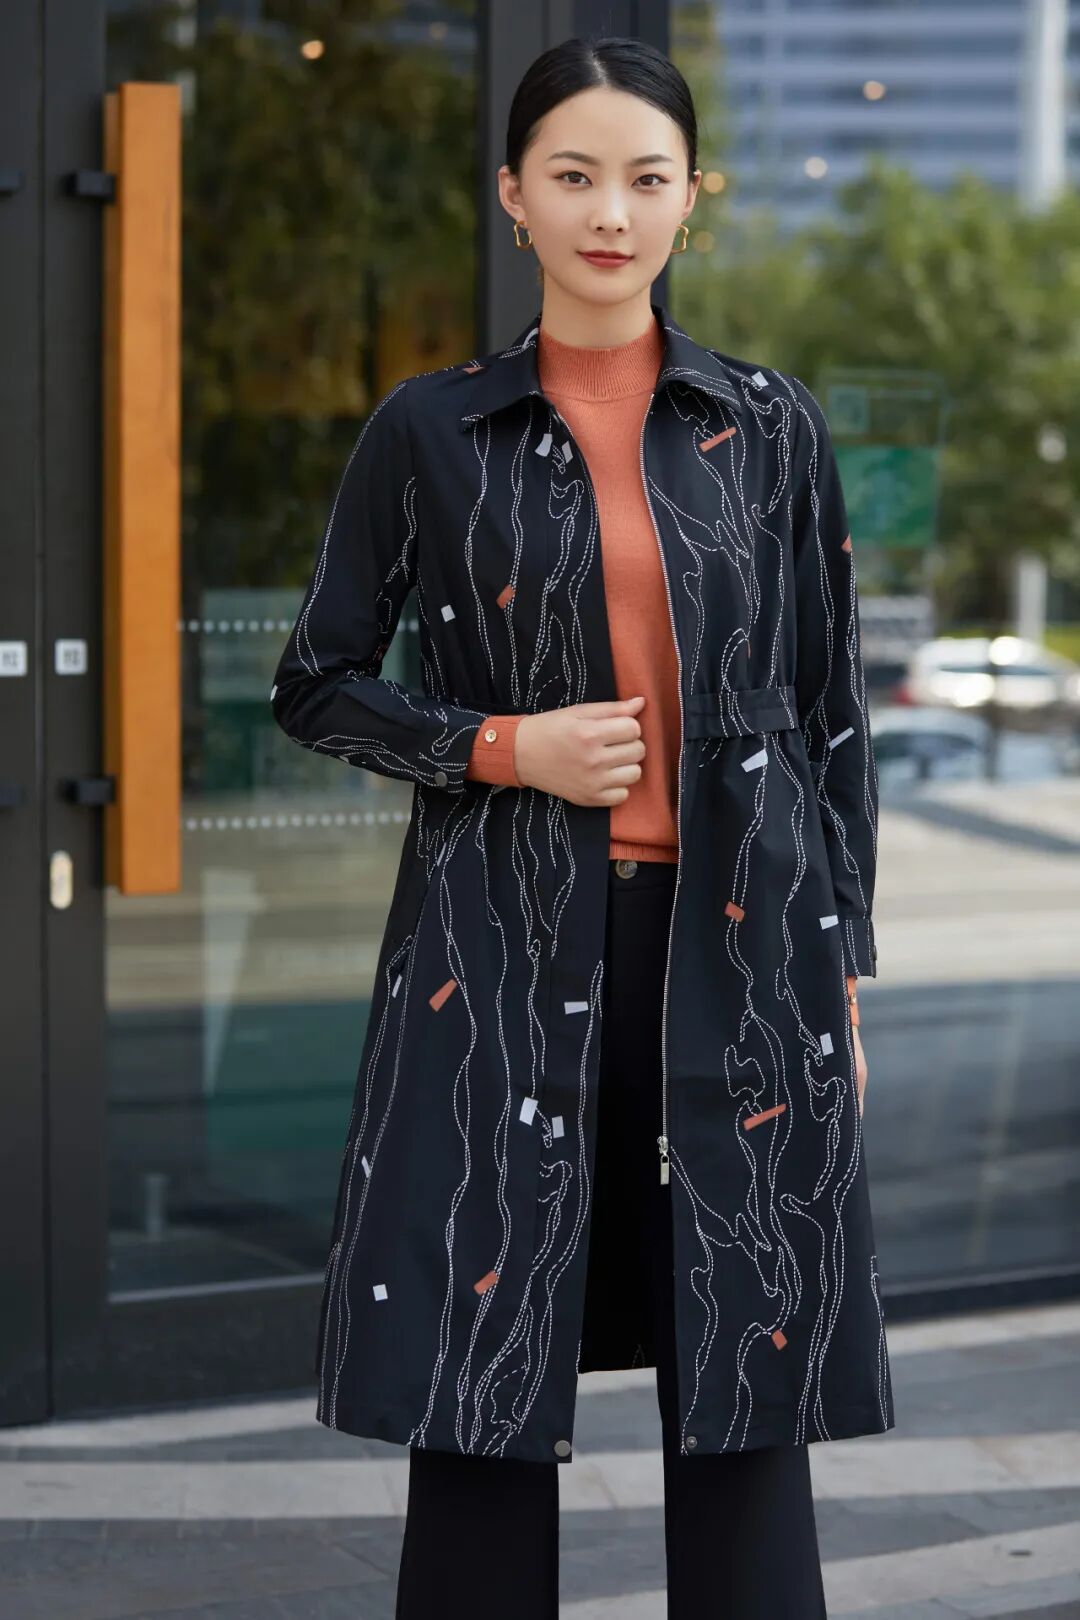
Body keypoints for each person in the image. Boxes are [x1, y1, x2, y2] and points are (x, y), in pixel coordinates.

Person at [272, 32, 890, 1620]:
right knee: (483, 1364)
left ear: (693, 198)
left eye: (645, 178)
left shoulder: (769, 424)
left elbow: (829, 712)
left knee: (747, 1362)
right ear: (514, 197)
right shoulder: (431, 430)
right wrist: (503, 746)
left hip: (740, 953)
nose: (610, 211)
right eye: (573, 175)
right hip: (499, 946)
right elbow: (317, 683)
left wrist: (845, 964)